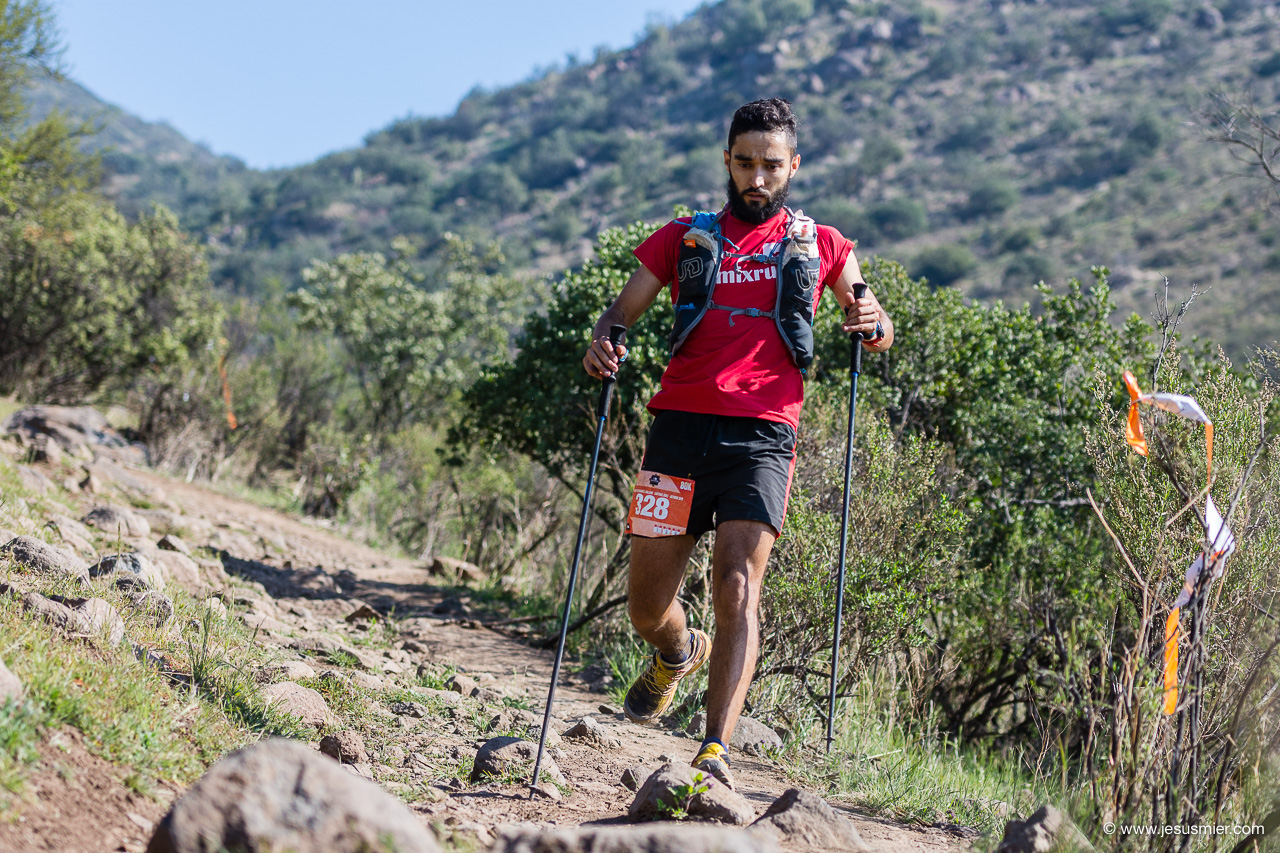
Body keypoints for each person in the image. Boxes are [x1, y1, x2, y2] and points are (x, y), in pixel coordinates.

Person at [582, 98, 894, 789]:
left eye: (771, 165)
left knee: (737, 584)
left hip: (763, 436)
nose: (758, 178)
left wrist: (872, 319)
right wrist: (605, 342)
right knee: (644, 607)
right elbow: (621, 313)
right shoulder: (682, 237)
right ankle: (677, 650)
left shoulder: (824, 244)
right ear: (727, 161)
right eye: (746, 163)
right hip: (679, 430)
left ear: (793, 167)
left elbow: (870, 317)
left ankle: (714, 749)